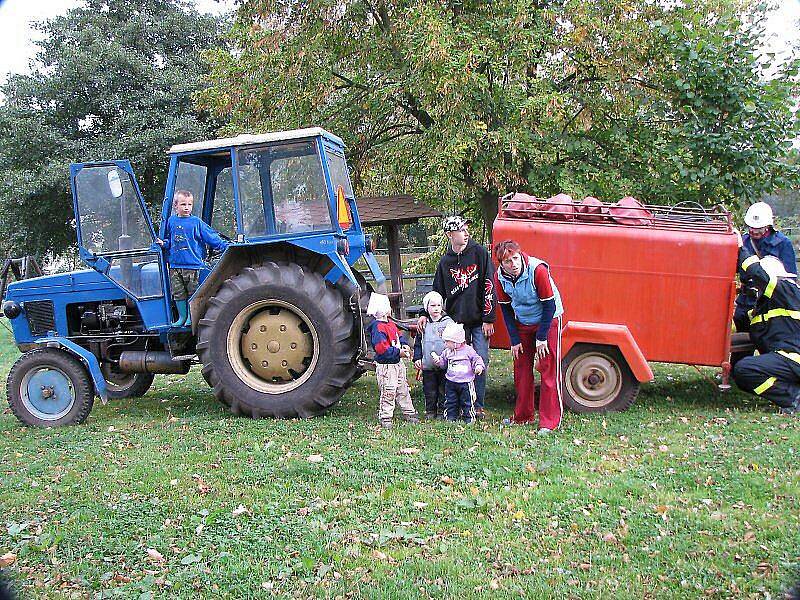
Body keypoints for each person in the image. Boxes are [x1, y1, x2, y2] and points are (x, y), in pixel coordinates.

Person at [418, 215, 496, 419]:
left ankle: (476, 405)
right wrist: (424, 313)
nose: (466, 232)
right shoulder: (445, 262)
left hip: (479, 320)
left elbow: (489, 284)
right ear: (450, 234)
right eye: (461, 229)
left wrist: (489, 318)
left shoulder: (480, 253)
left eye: (466, 228)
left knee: (479, 359)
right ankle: (453, 403)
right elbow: (437, 291)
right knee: (452, 360)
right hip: (455, 324)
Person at [493, 239, 564, 434]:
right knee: (521, 368)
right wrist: (514, 340)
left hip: (548, 320)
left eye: (515, 258)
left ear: (520, 256)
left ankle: (549, 421)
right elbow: (506, 310)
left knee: (547, 368)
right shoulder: (499, 278)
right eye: (507, 261)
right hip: (523, 321)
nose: (513, 264)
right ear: (501, 263)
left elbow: (549, 305)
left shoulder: (537, 270)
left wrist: (542, 337)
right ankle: (523, 416)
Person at [732, 241, 800, 415]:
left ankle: (793, 396)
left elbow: (757, 272)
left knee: (745, 369)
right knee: (740, 371)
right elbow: (747, 332)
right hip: (788, 361)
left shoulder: (786, 290)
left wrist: (739, 248)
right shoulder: (764, 309)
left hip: (793, 358)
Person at [159, 190, 229, 327]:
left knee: (192, 293)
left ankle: (191, 317)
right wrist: (163, 244)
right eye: (183, 204)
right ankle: (182, 317)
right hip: (175, 266)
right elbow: (170, 240)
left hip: (193, 266)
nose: (186, 207)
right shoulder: (171, 221)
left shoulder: (196, 222)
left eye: (189, 204)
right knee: (178, 293)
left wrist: (224, 245)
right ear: (175, 206)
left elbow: (210, 237)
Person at [733, 201, 797, 333]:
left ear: (768, 226)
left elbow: (790, 280)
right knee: (742, 340)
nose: (753, 231)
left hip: (771, 302)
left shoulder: (783, 243)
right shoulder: (743, 242)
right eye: (751, 227)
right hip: (746, 301)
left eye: (758, 228)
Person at [366, 293, 419, 429]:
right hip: (386, 366)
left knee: (403, 388)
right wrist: (398, 352)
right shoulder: (377, 328)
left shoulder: (390, 323)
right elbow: (382, 349)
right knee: (388, 391)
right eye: (388, 305)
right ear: (382, 309)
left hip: (397, 363)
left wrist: (404, 344)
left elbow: (398, 336)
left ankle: (409, 412)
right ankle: (386, 416)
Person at [431, 322, 485, 423]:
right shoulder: (447, 351)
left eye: (447, 341)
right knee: (451, 401)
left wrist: (478, 366)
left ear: (456, 342)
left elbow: (477, 359)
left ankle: (468, 419)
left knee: (467, 402)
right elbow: (444, 363)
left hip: (466, 383)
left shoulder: (468, 350)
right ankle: (450, 418)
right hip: (451, 382)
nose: (445, 344)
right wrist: (439, 361)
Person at [413, 291, 453, 419]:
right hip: (428, 364)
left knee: (443, 389)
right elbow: (418, 343)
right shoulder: (423, 324)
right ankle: (430, 410)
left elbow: (453, 342)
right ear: (426, 308)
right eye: (432, 306)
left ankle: (442, 410)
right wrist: (417, 358)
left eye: (438, 305)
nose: (436, 308)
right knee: (429, 390)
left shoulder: (448, 322)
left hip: (444, 364)